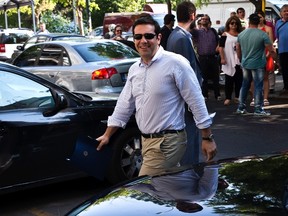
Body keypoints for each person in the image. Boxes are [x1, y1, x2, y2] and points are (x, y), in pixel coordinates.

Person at [96, 16, 217, 177]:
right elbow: (124, 106)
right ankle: (185, 200)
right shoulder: (135, 69)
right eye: (138, 37)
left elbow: (196, 101)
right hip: (146, 143)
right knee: (169, 189)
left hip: (167, 142)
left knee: (146, 190)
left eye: (149, 36)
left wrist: (207, 138)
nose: (143, 41)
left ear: (158, 38)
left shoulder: (175, 63)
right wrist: (107, 135)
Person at [166, 1, 204, 166]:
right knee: (189, 148)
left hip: (181, 103)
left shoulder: (177, 36)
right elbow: (187, 77)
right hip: (185, 104)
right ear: (193, 16)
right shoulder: (181, 38)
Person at [236, 13, 276, 116]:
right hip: (258, 64)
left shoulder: (241, 34)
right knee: (258, 86)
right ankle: (258, 109)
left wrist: (241, 59)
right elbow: (270, 49)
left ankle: (241, 107)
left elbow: (238, 49)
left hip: (245, 63)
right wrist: (276, 59)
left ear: (249, 22)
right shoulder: (262, 34)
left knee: (245, 85)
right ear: (258, 22)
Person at [191, 14, 221, 101]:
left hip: (213, 57)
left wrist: (218, 47)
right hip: (202, 57)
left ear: (209, 21)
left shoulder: (213, 31)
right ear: (200, 21)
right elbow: (190, 29)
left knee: (216, 77)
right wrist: (195, 19)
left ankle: (217, 95)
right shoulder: (197, 32)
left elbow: (219, 41)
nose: (204, 20)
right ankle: (204, 95)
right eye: (202, 19)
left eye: (206, 19)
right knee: (203, 77)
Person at [250, 10, 275, 107]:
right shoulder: (251, 29)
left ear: (264, 18)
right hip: (254, 56)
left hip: (265, 55)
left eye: (261, 17)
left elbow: (271, 44)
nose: (259, 19)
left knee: (265, 78)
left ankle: (265, 98)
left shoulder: (268, 28)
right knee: (253, 78)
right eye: (258, 17)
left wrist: (268, 55)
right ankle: (254, 98)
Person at [218, 16, 243, 106]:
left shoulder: (241, 34)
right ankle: (228, 97)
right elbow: (220, 48)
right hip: (228, 60)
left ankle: (237, 96)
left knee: (239, 79)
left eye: (236, 23)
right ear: (228, 24)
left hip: (238, 59)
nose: (234, 25)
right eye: (232, 23)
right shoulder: (225, 35)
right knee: (229, 80)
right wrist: (222, 58)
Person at [275, 4, 288, 94]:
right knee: (284, 69)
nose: (287, 12)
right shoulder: (278, 23)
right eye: (285, 11)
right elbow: (277, 36)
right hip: (283, 50)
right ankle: (286, 87)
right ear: (281, 13)